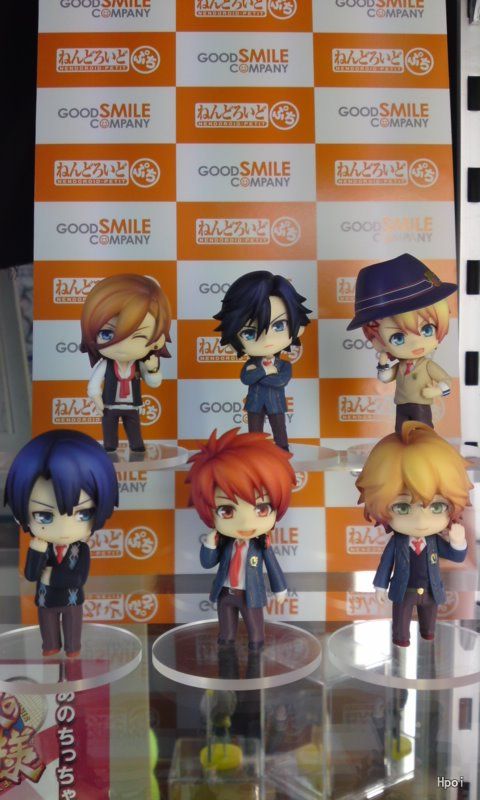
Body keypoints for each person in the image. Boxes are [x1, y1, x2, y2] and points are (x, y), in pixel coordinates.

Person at [356, 422, 472, 647]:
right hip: (403, 590)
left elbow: (456, 557)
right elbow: (385, 564)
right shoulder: (397, 542)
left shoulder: (435, 540)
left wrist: (458, 543)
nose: (421, 521)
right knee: (401, 619)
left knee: (429, 620)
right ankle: (401, 637)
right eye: (402, 507)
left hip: (431, 590)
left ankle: (428, 633)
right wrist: (380, 585)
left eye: (437, 507)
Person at [4, 430, 118, 656]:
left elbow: (79, 578)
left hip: (71, 599)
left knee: (73, 633)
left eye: (83, 514)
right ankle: (50, 646)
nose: (64, 530)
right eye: (44, 516)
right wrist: (36, 553)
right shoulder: (40, 546)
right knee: (48, 633)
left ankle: (73, 649)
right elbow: (30, 575)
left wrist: (51, 577)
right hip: (45, 599)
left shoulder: (80, 549)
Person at [186, 428, 296, 649]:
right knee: (225, 635)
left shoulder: (261, 545)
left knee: (256, 634)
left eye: (261, 509)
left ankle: (256, 652)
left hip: (250, 595)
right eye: (227, 511)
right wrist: (209, 544)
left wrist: (280, 589)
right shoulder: (225, 543)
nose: (245, 524)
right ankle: (226, 652)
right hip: (225, 593)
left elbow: (273, 567)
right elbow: (208, 563)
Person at [347, 253, 457, 433]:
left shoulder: (427, 366)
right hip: (401, 407)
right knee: (401, 435)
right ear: (378, 341)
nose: (415, 343)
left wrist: (437, 391)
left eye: (427, 330)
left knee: (423, 435)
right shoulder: (400, 366)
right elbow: (385, 377)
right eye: (398, 338)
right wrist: (383, 364)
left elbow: (446, 381)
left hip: (421, 406)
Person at [213, 271, 311, 451]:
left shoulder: (284, 365)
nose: (267, 340)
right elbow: (246, 379)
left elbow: (280, 381)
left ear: (299, 328)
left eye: (279, 326)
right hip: (255, 404)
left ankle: (283, 450)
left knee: (280, 431)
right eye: (249, 333)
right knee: (254, 435)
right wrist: (266, 371)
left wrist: (259, 375)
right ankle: (254, 452)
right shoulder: (252, 365)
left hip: (276, 404)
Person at [80, 273, 171, 452]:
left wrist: (153, 371)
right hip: (110, 406)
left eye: (139, 335)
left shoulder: (140, 364)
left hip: (132, 406)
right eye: (107, 333)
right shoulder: (105, 365)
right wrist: (98, 401)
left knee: (135, 437)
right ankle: (110, 448)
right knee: (109, 439)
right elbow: (94, 385)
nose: (122, 345)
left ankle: (137, 447)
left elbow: (153, 382)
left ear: (157, 339)